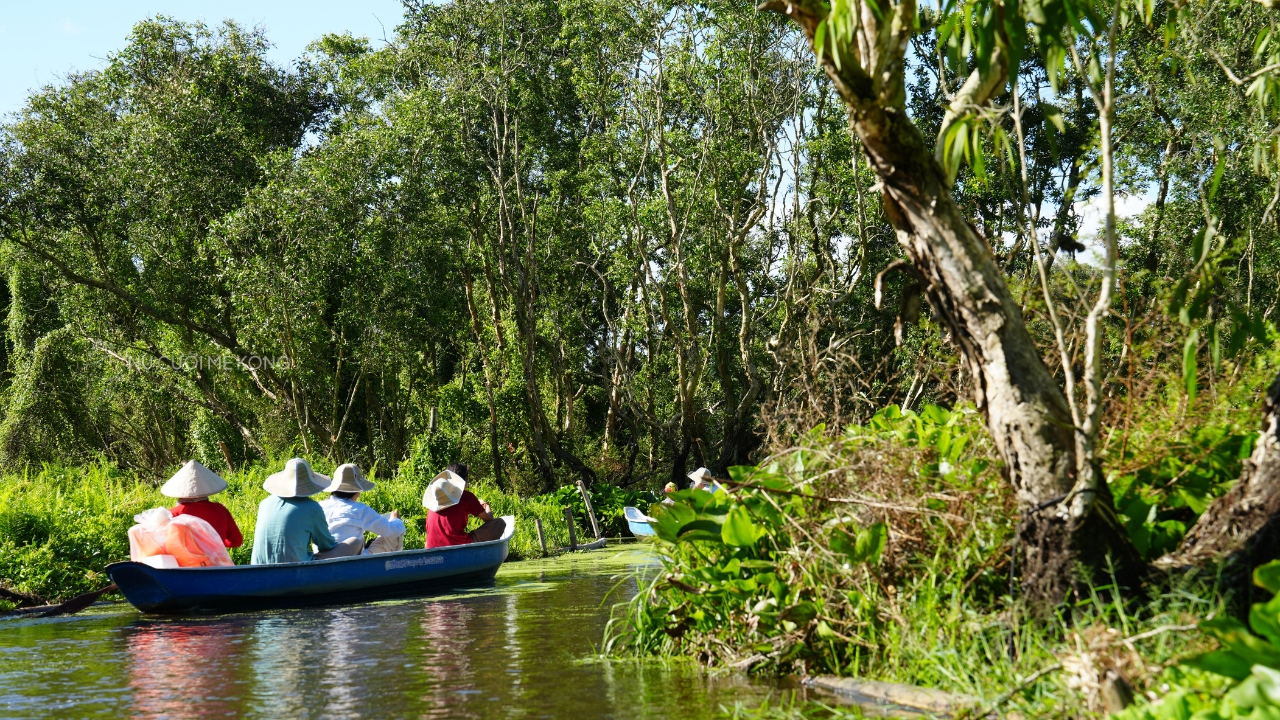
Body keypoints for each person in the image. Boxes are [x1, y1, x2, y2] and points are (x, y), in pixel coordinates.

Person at [251, 458, 343, 564]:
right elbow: (326, 545)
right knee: (355, 542)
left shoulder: (264, 503)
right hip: (294, 571)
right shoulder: (312, 508)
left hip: (258, 570)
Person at [320, 463, 406, 555]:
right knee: (395, 534)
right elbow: (391, 531)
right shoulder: (359, 510)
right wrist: (396, 520)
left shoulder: (320, 506)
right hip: (353, 560)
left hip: (324, 557)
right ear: (357, 491)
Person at [163, 460, 243, 549]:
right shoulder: (220, 510)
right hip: (218, 561)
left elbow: (163, 545)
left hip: (185, 562)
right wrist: (218, 543)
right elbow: (236, 541)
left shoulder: (173, 514)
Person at [423, 464, 506, 549]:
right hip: (458, 545)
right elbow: (489, 519)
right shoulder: (466, 497)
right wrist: (486, 505)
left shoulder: (435, 500)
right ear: (465, 481)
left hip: (430, 547)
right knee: (499, 523)